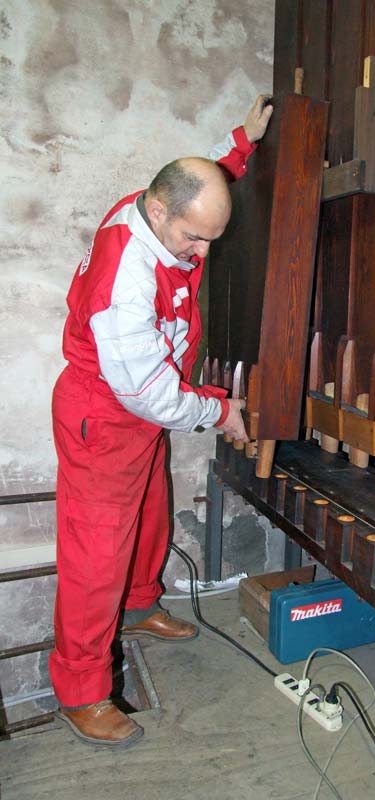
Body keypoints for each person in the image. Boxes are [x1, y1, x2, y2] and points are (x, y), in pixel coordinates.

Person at [49, 95, 273, 748]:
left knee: (148, 512)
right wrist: (223, 410)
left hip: (136, 414)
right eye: (193, 239)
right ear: (156, 214)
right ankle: (82, 690)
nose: (202, 251)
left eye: (210, 236)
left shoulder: (165, 205)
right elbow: (151, 393)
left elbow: (199, 183)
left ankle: (141, 605)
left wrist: (241, 145)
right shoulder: (127, 282)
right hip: (107, 413)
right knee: (96, 557)